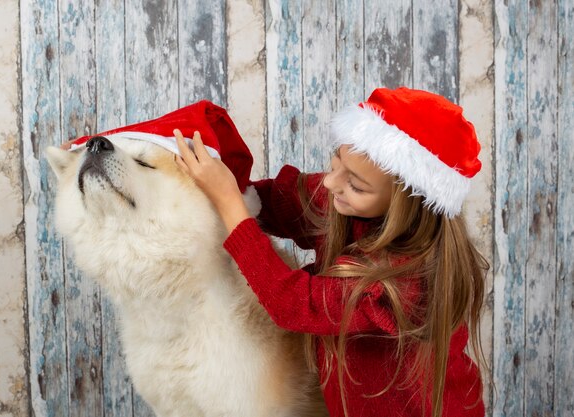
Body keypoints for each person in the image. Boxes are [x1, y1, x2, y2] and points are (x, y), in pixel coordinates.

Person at [173, 87, 488, 417]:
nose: (330, 183)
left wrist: (228, 202)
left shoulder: (405, 282)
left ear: (405, 206)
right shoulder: (349, 201)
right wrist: (225, 186)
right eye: (336, 162)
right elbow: (279, 203)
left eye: (355, 184)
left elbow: (291, 302)